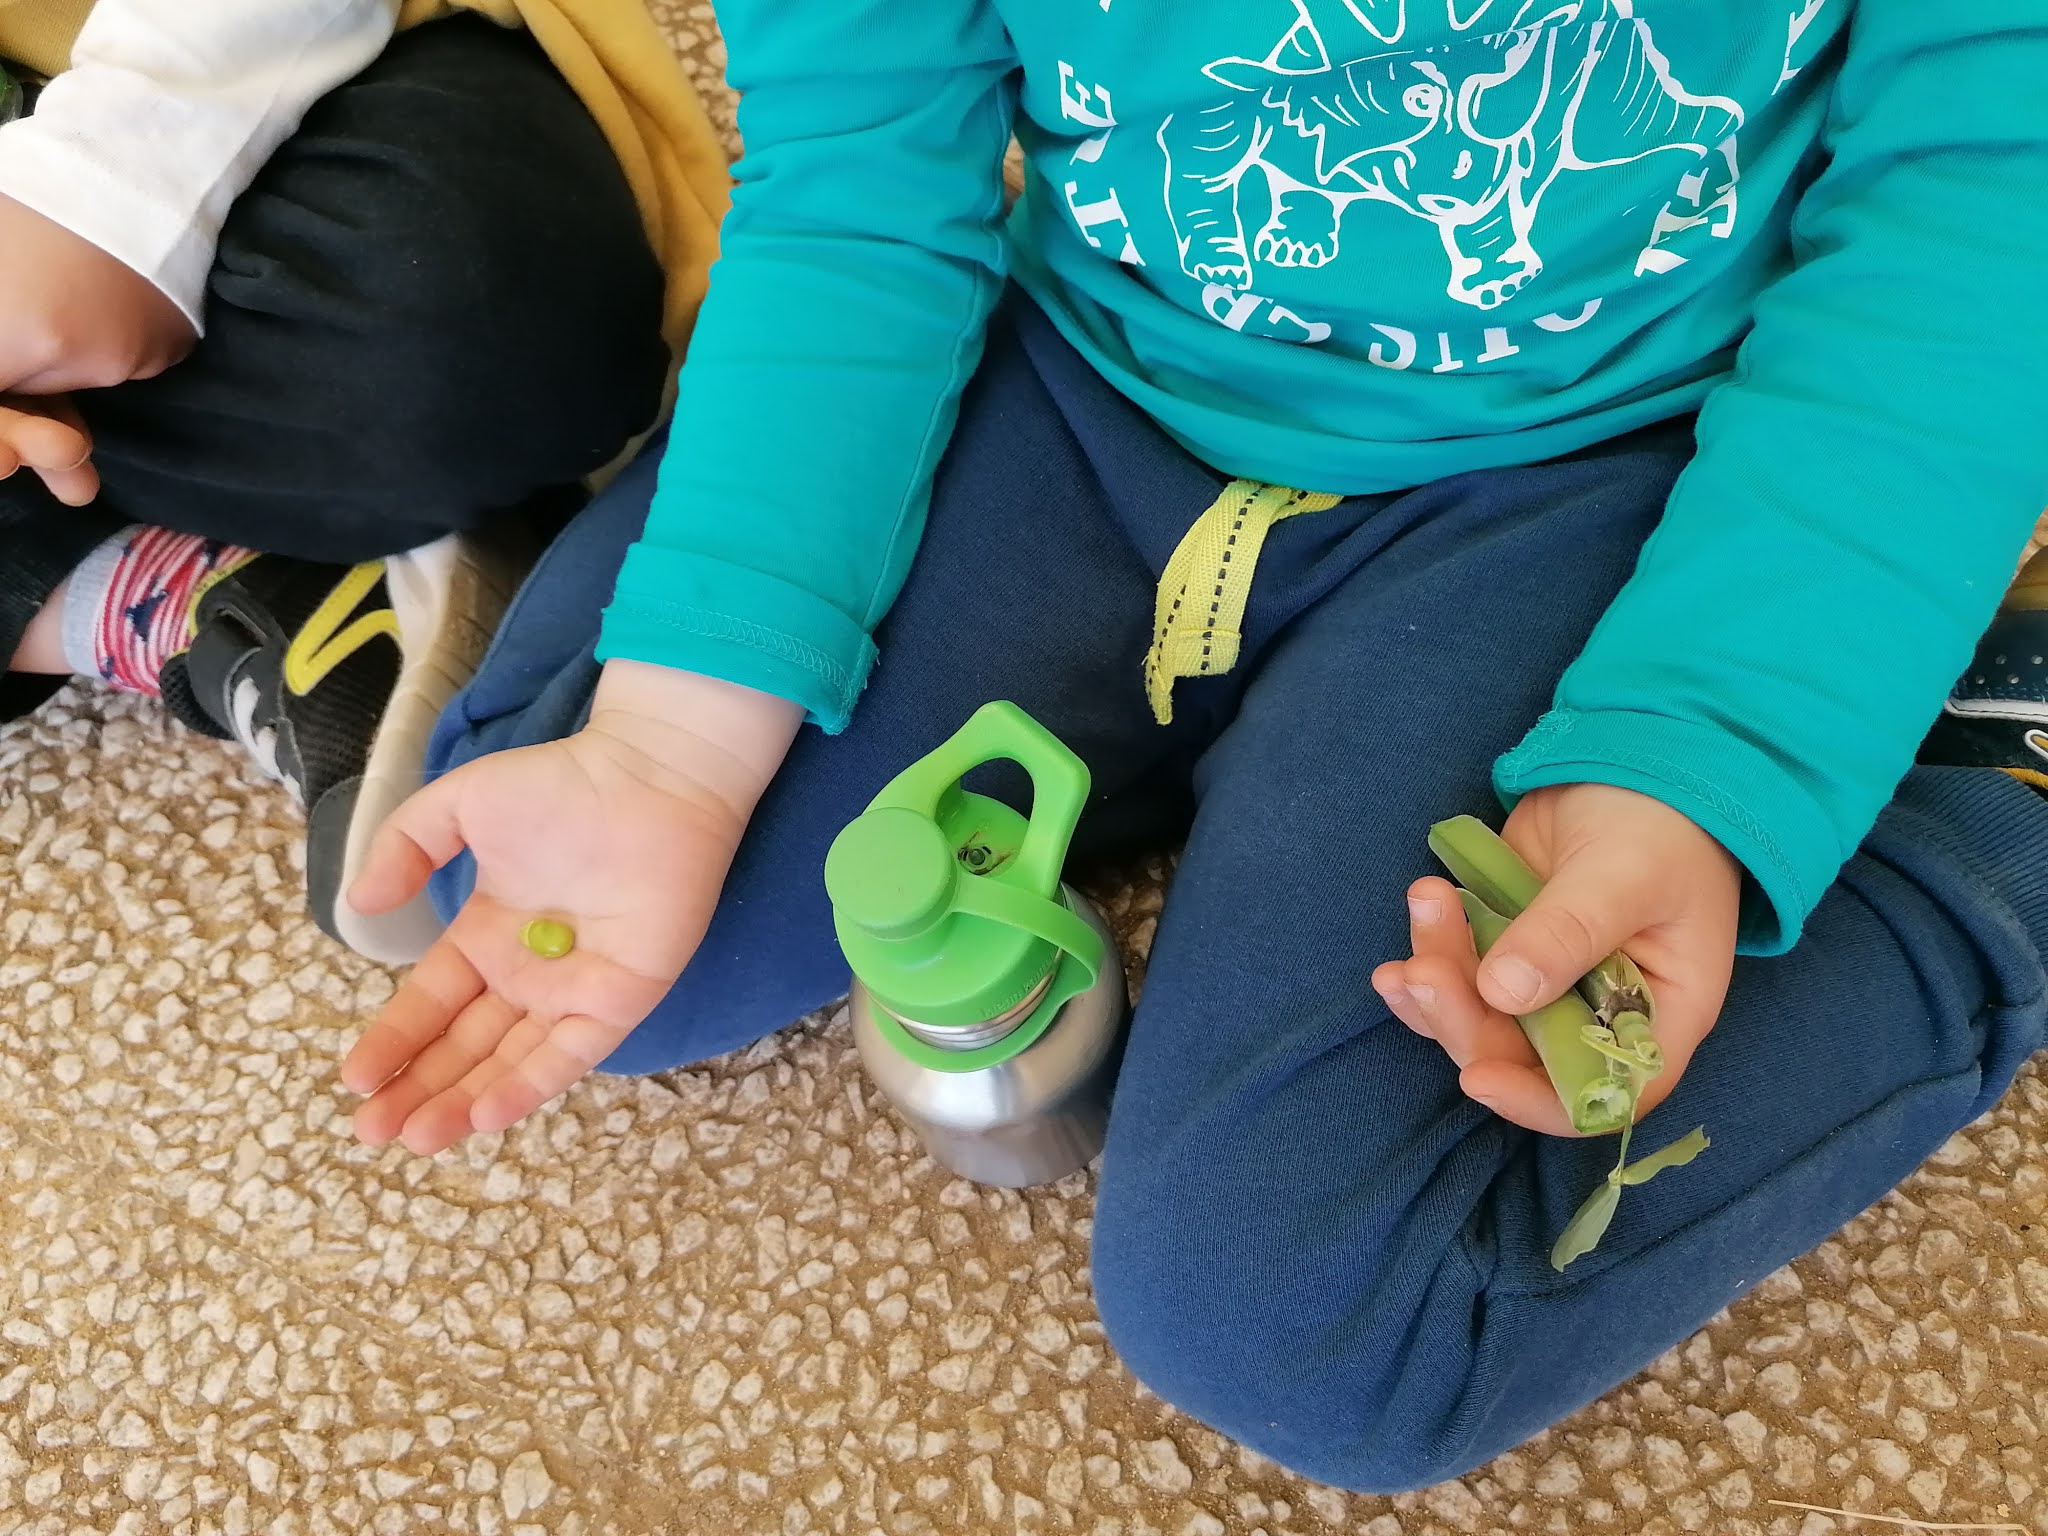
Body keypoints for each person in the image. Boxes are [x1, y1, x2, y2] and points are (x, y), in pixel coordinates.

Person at [338, 0, 2048, 1493]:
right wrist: (668, 744)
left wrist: (1709, 748)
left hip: (1610, 462)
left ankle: (1990, 803)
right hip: (1090, 367)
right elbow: (860, 180)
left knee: (1314, 1321)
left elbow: (1982, 181)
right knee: (538, 903)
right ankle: (1188, 745)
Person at [0, 0, 727, 962]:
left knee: (473, 339)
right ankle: (205, 593)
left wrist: (103, 192)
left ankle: (170, 557)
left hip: (282, 83)